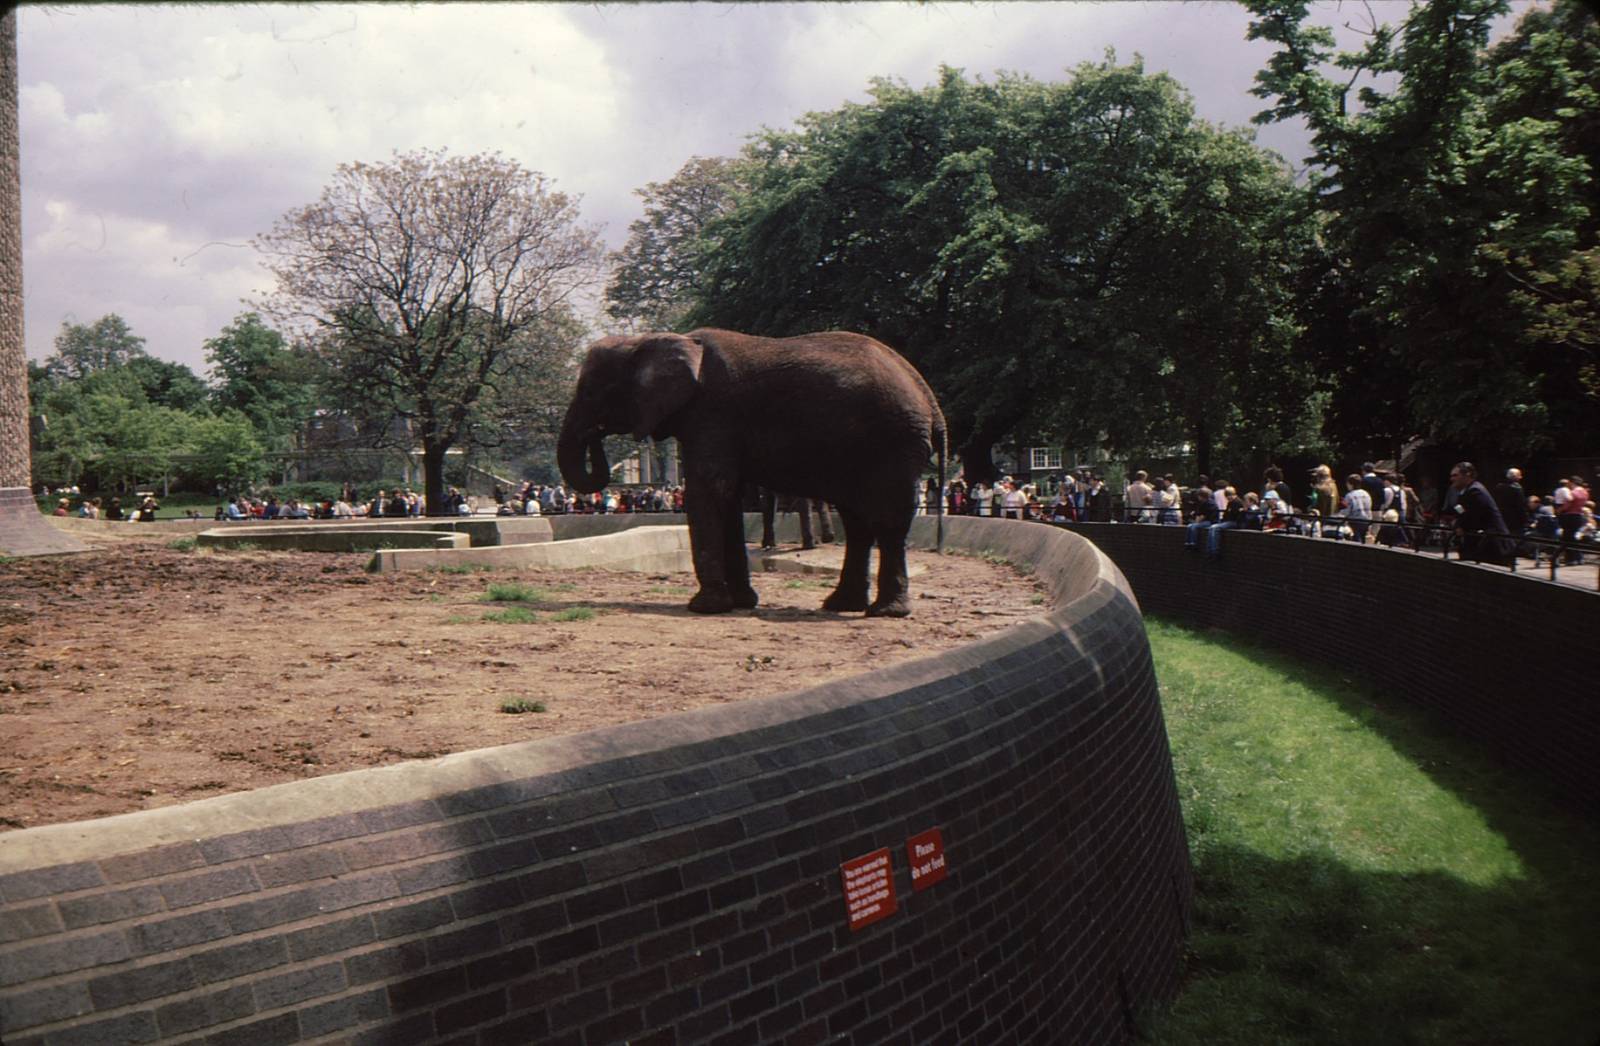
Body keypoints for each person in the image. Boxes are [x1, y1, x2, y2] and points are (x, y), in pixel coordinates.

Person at [1449, 461, 1513, 565]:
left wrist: (1461, 526)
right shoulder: (1465, 492)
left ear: (1468, 474)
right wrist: (1458, 525)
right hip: (1482, 545)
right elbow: (1461, 512)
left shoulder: (1476, 491)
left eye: (1455, 475)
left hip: (1493, 547)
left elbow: (1474, 517)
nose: (1452, 479)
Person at [1556, 476, 1590, 564]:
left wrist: (1560, 510)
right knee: (1573, 537)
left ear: (1572, 482)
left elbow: (1568, 504)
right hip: (1579, 515)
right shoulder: (1585, 492)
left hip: (1569, 516)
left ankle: (1571, 559)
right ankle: (1578, 557)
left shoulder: (1573, 492)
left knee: (1567, 538)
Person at [1494, 468, 1527, 538]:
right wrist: (1526, 521)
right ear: (1515, 477)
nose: (1521, 477)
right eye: (1519, 475)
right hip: (1515, 522)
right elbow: (1521, 507)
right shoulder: (1517, 488)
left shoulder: (1499, 487)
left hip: (1502, 519)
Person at [1342, 474, 1373, 544]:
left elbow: (1346, 511)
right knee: (1363, 541)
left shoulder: (1349, 495)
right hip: (1366, 521)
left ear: (1351, 484)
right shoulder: (1366, 494)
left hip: (1354, 521)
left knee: (1356, 542)